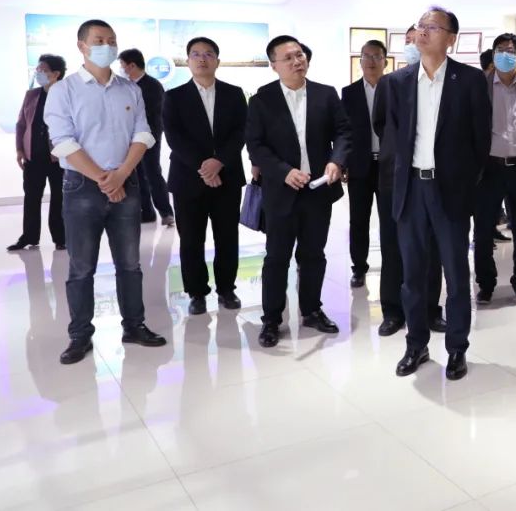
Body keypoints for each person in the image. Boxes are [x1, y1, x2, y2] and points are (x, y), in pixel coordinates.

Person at [44, 19, 167, 364]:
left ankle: (134, 326)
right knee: (81, 266)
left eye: (111, 40)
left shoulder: (129, 89)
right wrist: (103, 179)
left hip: (126, 181)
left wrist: (121, 174)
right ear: (82, 46)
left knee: (130, 263)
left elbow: (143, 134)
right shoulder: (64, 90)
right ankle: (80, 335)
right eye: (99, 40)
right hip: (82, 186)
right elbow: (63, 142)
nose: (107, 46)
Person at [383, 7, 490, 380]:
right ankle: (416, 345)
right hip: (411, 189)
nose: (422, 32)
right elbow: (391, 135)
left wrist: (464, 183)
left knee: (456, 275)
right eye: (420, 26)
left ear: (451, 38)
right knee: (412, 275)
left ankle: (457, 348)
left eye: (432, 27)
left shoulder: (470, 80)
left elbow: (480, 141)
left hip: (450, 191)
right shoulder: (398, 82)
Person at [245, 35, 353, 348]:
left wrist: (336, 161)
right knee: (277, 257)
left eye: (300, 55)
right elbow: (255, 145)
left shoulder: (325, 94)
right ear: (274, 65)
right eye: (289, 57)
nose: (297, 61)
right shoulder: (262, 99)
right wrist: (283, 172)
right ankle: (271, 319)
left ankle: (312, 310)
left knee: (313, 254)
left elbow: (343, 132)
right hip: (282, 191)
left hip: (318, 189)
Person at [162, 36, 247, 315]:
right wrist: (204, 166)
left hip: (227, 177)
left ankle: (227, 289)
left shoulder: (234, 93)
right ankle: (196, 293)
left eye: (208, 54)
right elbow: (174, 137)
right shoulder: (173, 97)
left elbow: (241, 132)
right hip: (188, 179)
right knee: (191, 239)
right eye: (196, 54)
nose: (202, 59)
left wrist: (219, 161)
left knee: (227, 237)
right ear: (188, 62)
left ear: (217, 61)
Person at [372, 26, 445, 337]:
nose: (415, 43)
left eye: (420, 37)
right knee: (393, 246)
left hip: (433, 177)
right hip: (396, 177)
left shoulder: (445, 82)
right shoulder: (390, 83)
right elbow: (380, 124)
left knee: (431, 248)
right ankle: (392, 311)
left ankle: (430, 309)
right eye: (409, 40)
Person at [473, 33, 516, 306]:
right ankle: (485, 284)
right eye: (499, 50)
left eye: (510, 51)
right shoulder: (480, 86)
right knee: (482, 232)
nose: (504, 55)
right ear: (493, 54)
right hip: (488, 169)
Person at [340, 39, 388, 289]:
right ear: (360, 61)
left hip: (388, 166)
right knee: (358, 220)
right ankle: (358, 267)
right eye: (366, 56)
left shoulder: (395, 88)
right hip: (360, 166)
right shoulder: (349, 93)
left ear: (384, 61)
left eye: (376, 56)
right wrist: (343, 163)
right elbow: (343, 131)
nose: (371, 61)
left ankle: (391, 265)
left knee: (390, 219)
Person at [9, 54, 68, 252]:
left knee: (59, 198)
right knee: (31, 197)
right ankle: (29, 236)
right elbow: (21, 124)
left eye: (43, 70)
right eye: (38, 69)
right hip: (33, 156)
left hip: (58, 157)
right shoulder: (32, 95)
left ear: (56, 74)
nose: (38, 73)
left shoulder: (66, 95)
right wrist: (19, 149)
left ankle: (61, 237)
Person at [118, 48, 175, 227]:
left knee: (152, 173)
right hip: (131, 138)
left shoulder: (152, 85)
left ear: (132, 65)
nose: (121, 69)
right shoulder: (127, 86)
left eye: (122, 65)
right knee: (137, 175)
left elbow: (152, 114)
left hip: (149, 137)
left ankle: (166, 212)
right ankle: (147, 212)